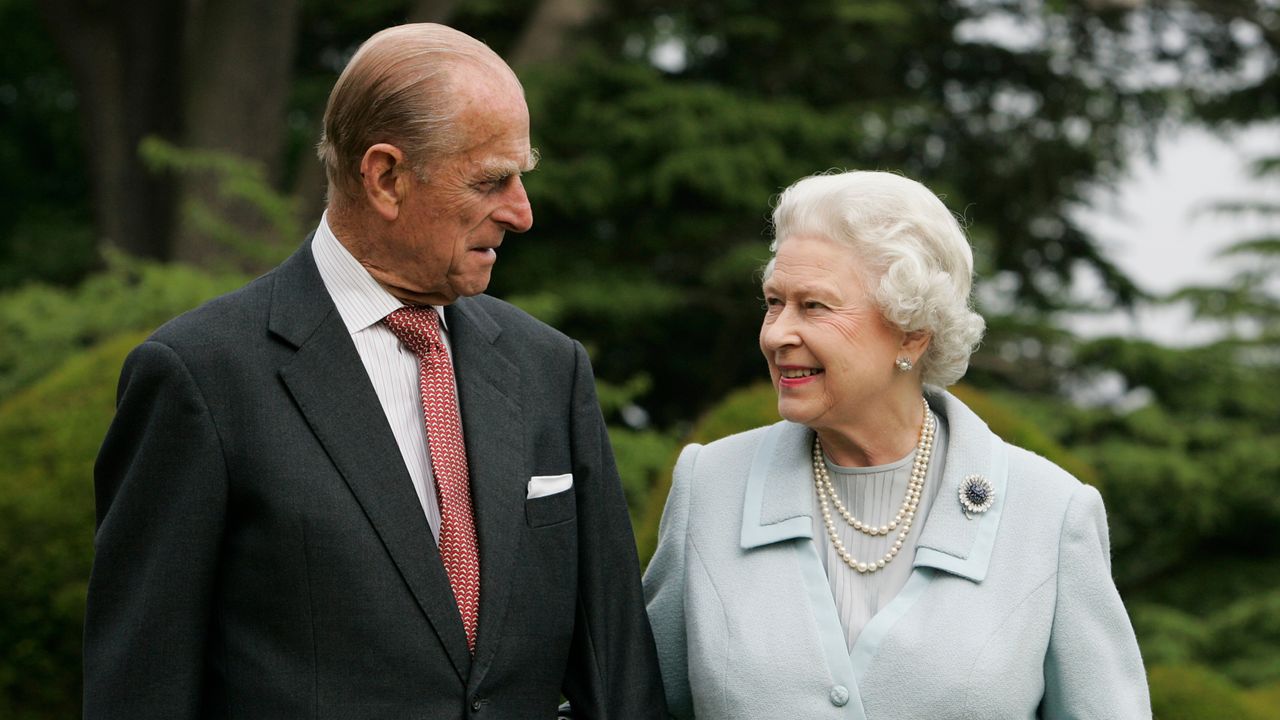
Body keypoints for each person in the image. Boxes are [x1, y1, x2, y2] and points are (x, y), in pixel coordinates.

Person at [84, 23, 666, 719]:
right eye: (491, 180)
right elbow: (140, 690)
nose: (521, 212)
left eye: (521, 177)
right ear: (385, 176)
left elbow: (620, 678)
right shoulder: (200, 377)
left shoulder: (550, 369)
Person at [643, 170, 1150, 718]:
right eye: (773, 302)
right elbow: (632, 703)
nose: (775, 334)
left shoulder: (1049, 514)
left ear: (912, 331)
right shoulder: (710, 486)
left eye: (814, 306)